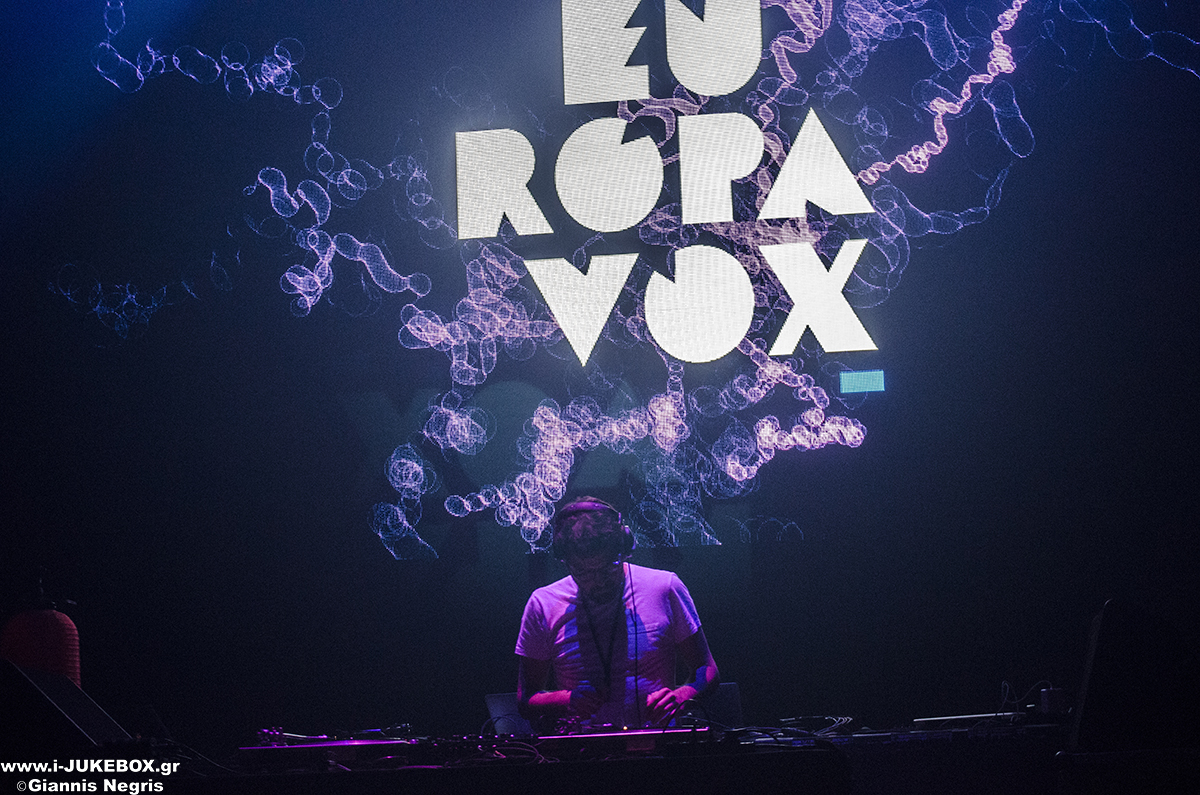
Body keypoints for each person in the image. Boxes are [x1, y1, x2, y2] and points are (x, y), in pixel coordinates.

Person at [515, 497, 719, 730]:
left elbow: (708, 670)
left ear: (624, 550)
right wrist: (566, 700)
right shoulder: (543, 604)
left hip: (657, 742)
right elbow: (525, 700)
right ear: (564, 561)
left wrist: (682, 695)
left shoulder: (665, 587)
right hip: (582, 748)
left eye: (607, 569)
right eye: (582, 573)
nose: (597, 581)